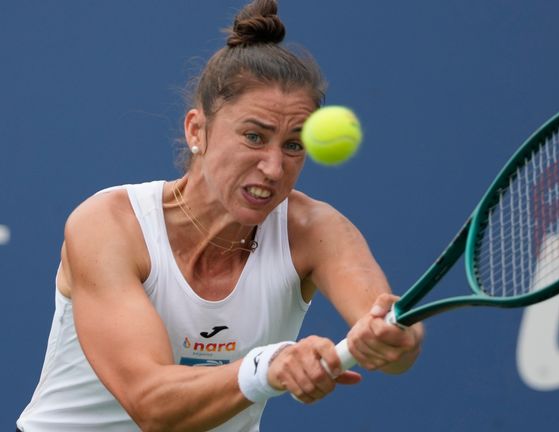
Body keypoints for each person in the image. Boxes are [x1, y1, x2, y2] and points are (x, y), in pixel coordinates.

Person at [16, 1, 423, 430]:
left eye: (293, 145)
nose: (273, 166)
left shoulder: (314, 230)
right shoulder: (110, 224)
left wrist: (393, 340)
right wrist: (268, 367)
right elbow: (152, 404)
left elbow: (397, 340)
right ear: (198, 130)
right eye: (254, 136)